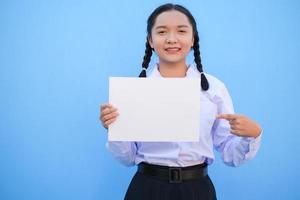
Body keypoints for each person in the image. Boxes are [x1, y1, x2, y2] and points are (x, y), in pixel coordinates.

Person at [99, 3, 262, 200]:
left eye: (181, 31)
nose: (171, 39)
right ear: (150, 40)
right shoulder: (132, 92)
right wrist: (114, 129)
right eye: (161, 32)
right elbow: (127, 159)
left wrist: (251, 136)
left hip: (197, 189)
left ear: (193, 39)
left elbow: (230, 154)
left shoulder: (213, 89)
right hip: (147, 188)